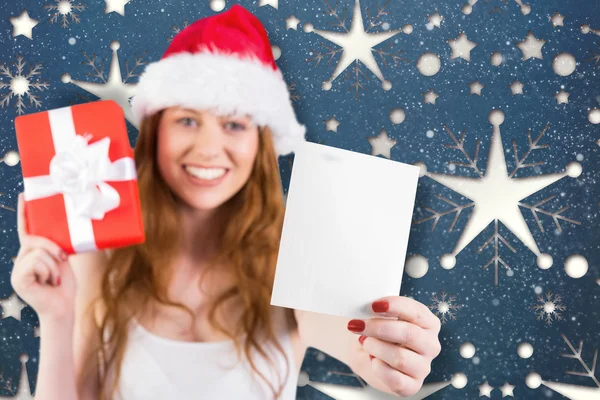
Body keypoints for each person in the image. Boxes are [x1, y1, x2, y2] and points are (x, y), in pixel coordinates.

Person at [10, 4, 442, 400]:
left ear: (261, 144)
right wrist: (56, 316)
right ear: (155, 132)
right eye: (187, 119)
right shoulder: (102, 254)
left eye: (234, 124)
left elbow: (358, 341)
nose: (209, 148)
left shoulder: (294, 253)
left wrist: (390, 353)